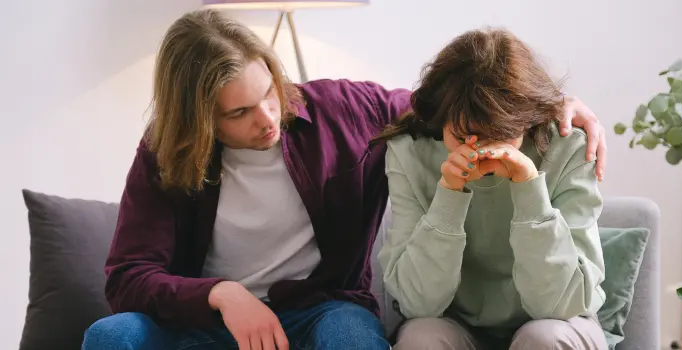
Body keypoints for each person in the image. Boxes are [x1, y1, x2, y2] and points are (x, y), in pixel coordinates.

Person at [81, 8, 608, 350]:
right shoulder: (164, 154)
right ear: (197, 120)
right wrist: (220, 295)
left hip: (319, 312)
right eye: (238, 113)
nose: (267, 117)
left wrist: (547, 106)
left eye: (269, 91)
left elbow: (451, 109)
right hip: (205, 323)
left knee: (354, 341)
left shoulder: (343, 109)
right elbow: (126, 276)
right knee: (111, 338)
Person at [374, 28, 608, 350]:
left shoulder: (569, 147)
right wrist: (448, 196)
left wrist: (529, 192)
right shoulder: (408, 151)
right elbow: (418, 304)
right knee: (421, 338)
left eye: (499, 134)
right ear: (441, 119)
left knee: (543, 339)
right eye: (464, 136)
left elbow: (561, 305)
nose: (481, 150)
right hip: (456, 324)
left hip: (560, 323)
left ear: (525, 121)